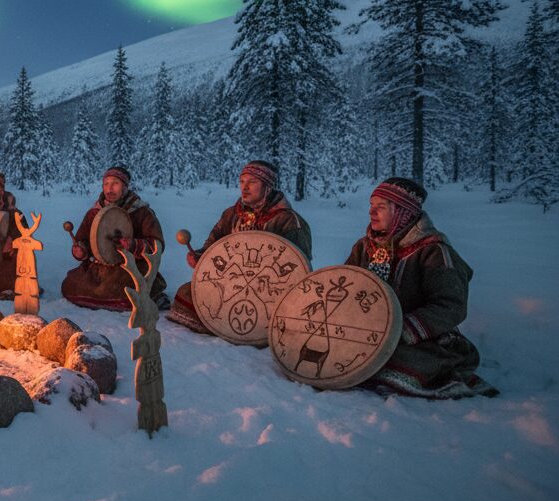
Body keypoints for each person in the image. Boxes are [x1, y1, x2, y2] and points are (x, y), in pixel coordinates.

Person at [346, 178, 496, 399]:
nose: (371, 212)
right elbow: (349, 282)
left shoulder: (434, 251)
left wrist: (400, 330)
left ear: (402, 212)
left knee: (383, 363)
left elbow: (451, 305)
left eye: (381, 207)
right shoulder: (364, 246)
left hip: (421, 338)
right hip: (370, 331)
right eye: (371, 206)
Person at [166, 160, 311, 334]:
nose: (245, 187)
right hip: (231, 283)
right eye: (242, 181)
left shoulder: (287, 220)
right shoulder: (231, 214)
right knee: (186, 293)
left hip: (270, 290)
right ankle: (218, 324)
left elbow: (299, 266)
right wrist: (198, 256)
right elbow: (212, 246)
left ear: (268, 187)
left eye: (252, 182)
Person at [61, 166, 168, 310]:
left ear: (125, 187)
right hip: (98, 268)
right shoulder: (94, 213)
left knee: (124, 290)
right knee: (71, 285)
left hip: (130, 268)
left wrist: (133, 245)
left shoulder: (141, 212)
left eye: (115, 184)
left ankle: (148, 295)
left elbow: (157, 245)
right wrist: (81, 250)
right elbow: (83, 240)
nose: (109, 189)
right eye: (106, 184)